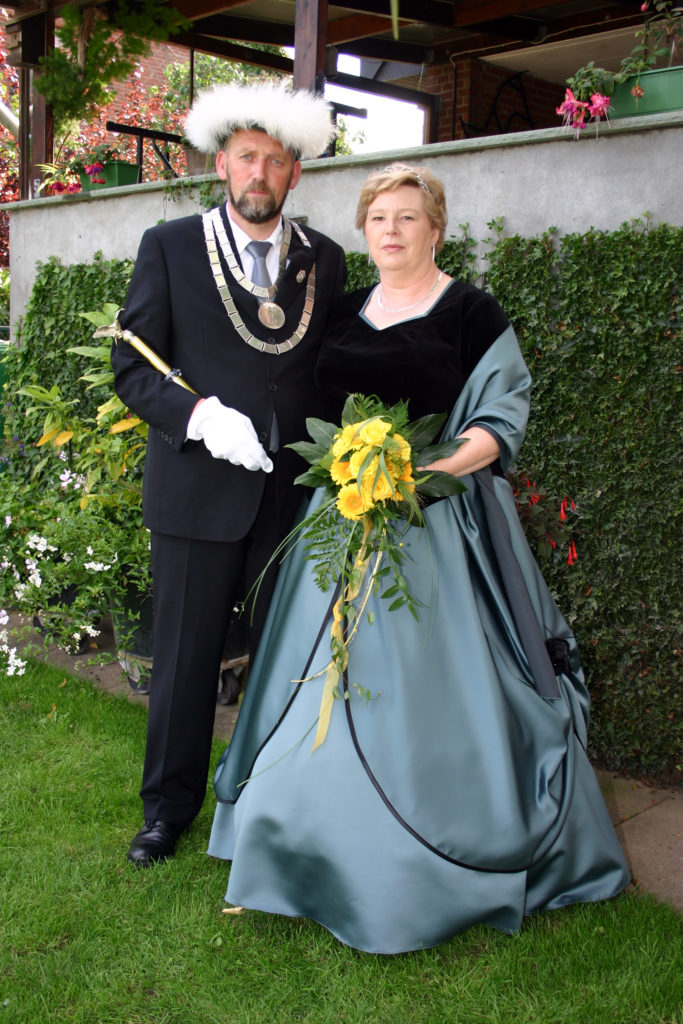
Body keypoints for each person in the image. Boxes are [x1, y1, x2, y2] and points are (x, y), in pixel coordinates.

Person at [207, 163, 630, 953]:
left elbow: (500, 417)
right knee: (317, 680)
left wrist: (415, 478)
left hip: (437, 525)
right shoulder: (338, 312)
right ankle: (303, 839)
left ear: (435, 228)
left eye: (407, 217)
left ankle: (430, 857)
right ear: (364, 232)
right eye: (378, 218)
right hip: (340, 520)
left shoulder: (471, 311)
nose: (391, 230)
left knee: (426, 692)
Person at [111, 82, 347, 868]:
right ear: (221, 163)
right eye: (247, 157)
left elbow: (331, 371)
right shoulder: (171, 245)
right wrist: (200, 417)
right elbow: (132, 365)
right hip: (198, 489)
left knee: (288, 657)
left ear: (295, 174)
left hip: (293, 496)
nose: (259, 174)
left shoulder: (324, 260)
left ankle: (274, 799)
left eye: (275, 162)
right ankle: (167, 809)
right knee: (184, 660)